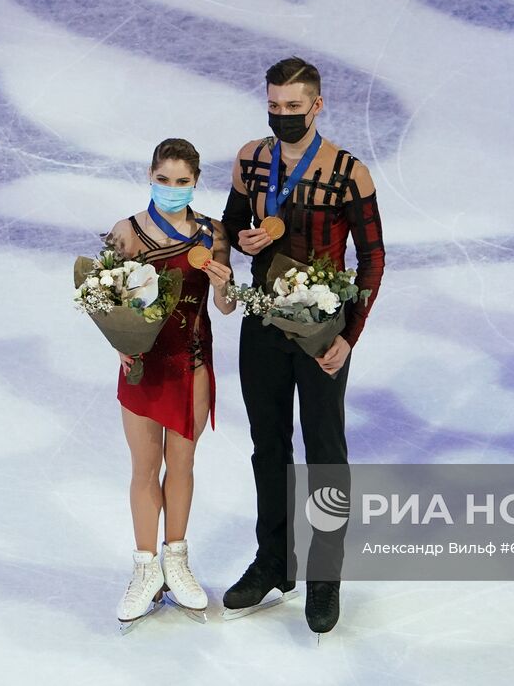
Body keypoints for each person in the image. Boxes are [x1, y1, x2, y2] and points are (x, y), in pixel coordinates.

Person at [220, 57, 386, 634]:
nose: (283, 116)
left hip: (319, 329)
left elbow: (372, 258)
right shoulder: (251, 159)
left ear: (318, 104)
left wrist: (348, 335)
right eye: (274, 106)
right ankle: (273, 562)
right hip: (264, 322)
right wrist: (235, 246)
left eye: (294, 106)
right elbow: (231, 226)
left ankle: (324, 577)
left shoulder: (348, 171)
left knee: (325, 455)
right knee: (268, 448)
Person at [105, 138, 237, 626]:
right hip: (142, 366)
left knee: (181, 464)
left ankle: (176, 562)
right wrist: (119, 342)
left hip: (192, 364)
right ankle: (145, 570)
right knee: (145, 467)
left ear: (196, 182)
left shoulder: (212, 234)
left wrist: (223, 285)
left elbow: (224, 307)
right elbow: (106, 298)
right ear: (150, 176)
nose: (173, 189)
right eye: (164, 180)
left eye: (183, 182)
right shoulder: (128, 232)